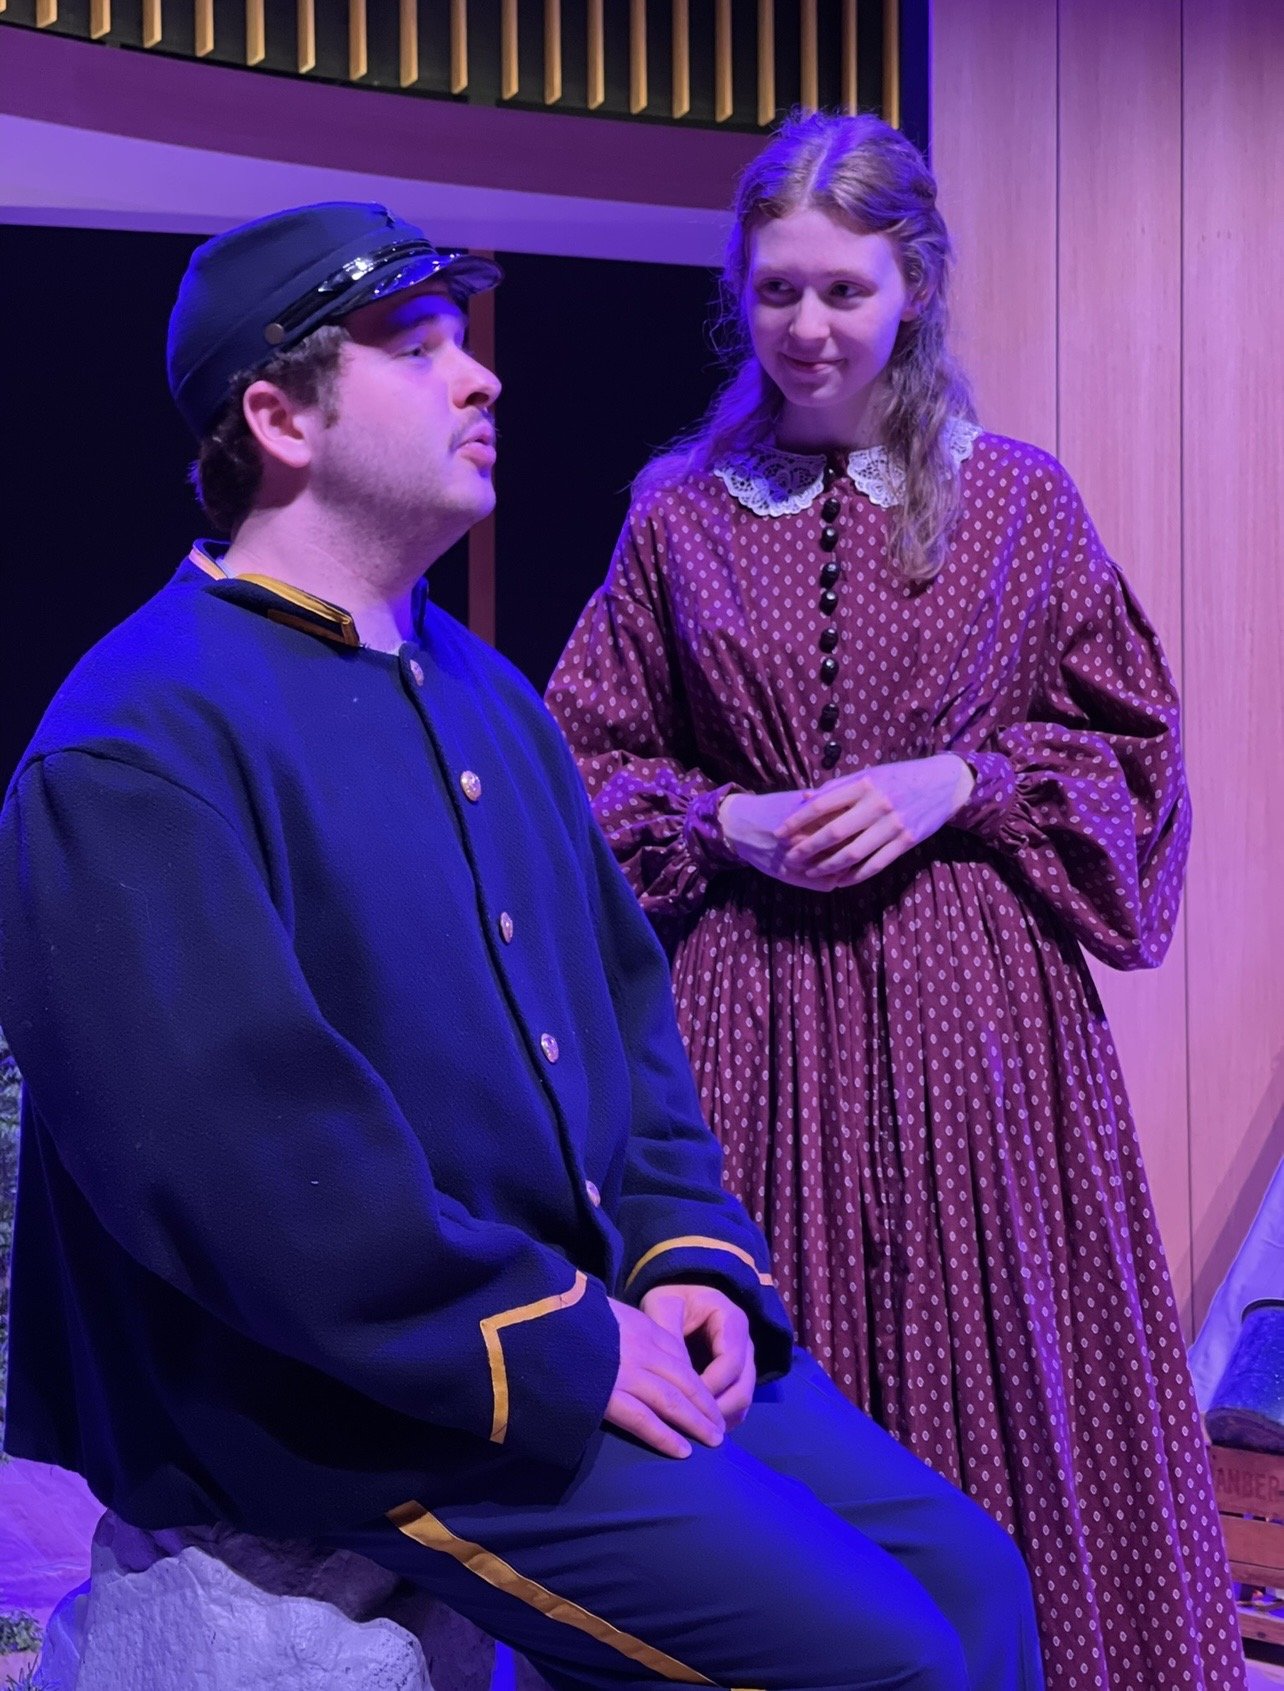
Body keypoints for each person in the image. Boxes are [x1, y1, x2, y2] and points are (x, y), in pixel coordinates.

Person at [0, 201, 1044, 1691]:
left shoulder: (486, 693)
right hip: (363, 1397)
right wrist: (557, 1338)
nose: (481, 375)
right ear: (280, 418)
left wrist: (688, 1259)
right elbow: (247, 1181)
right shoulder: (141, 738)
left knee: (974, 1580)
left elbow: (628, 1032)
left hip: (577, 1317)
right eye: (417, 348)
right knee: (883, 1660)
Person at [546, 114, 1245, 1691]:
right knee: (762, 1392)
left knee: (1012, 1388)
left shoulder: (1020, 503)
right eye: (777, 289)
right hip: (747, 1021)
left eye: (844, 291)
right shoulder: (678, 514)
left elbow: (1135, 759)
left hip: (978, 1034)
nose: (807, 326)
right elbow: (574, 766)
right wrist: (725, 817)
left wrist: (961, 782)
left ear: (913, 286)